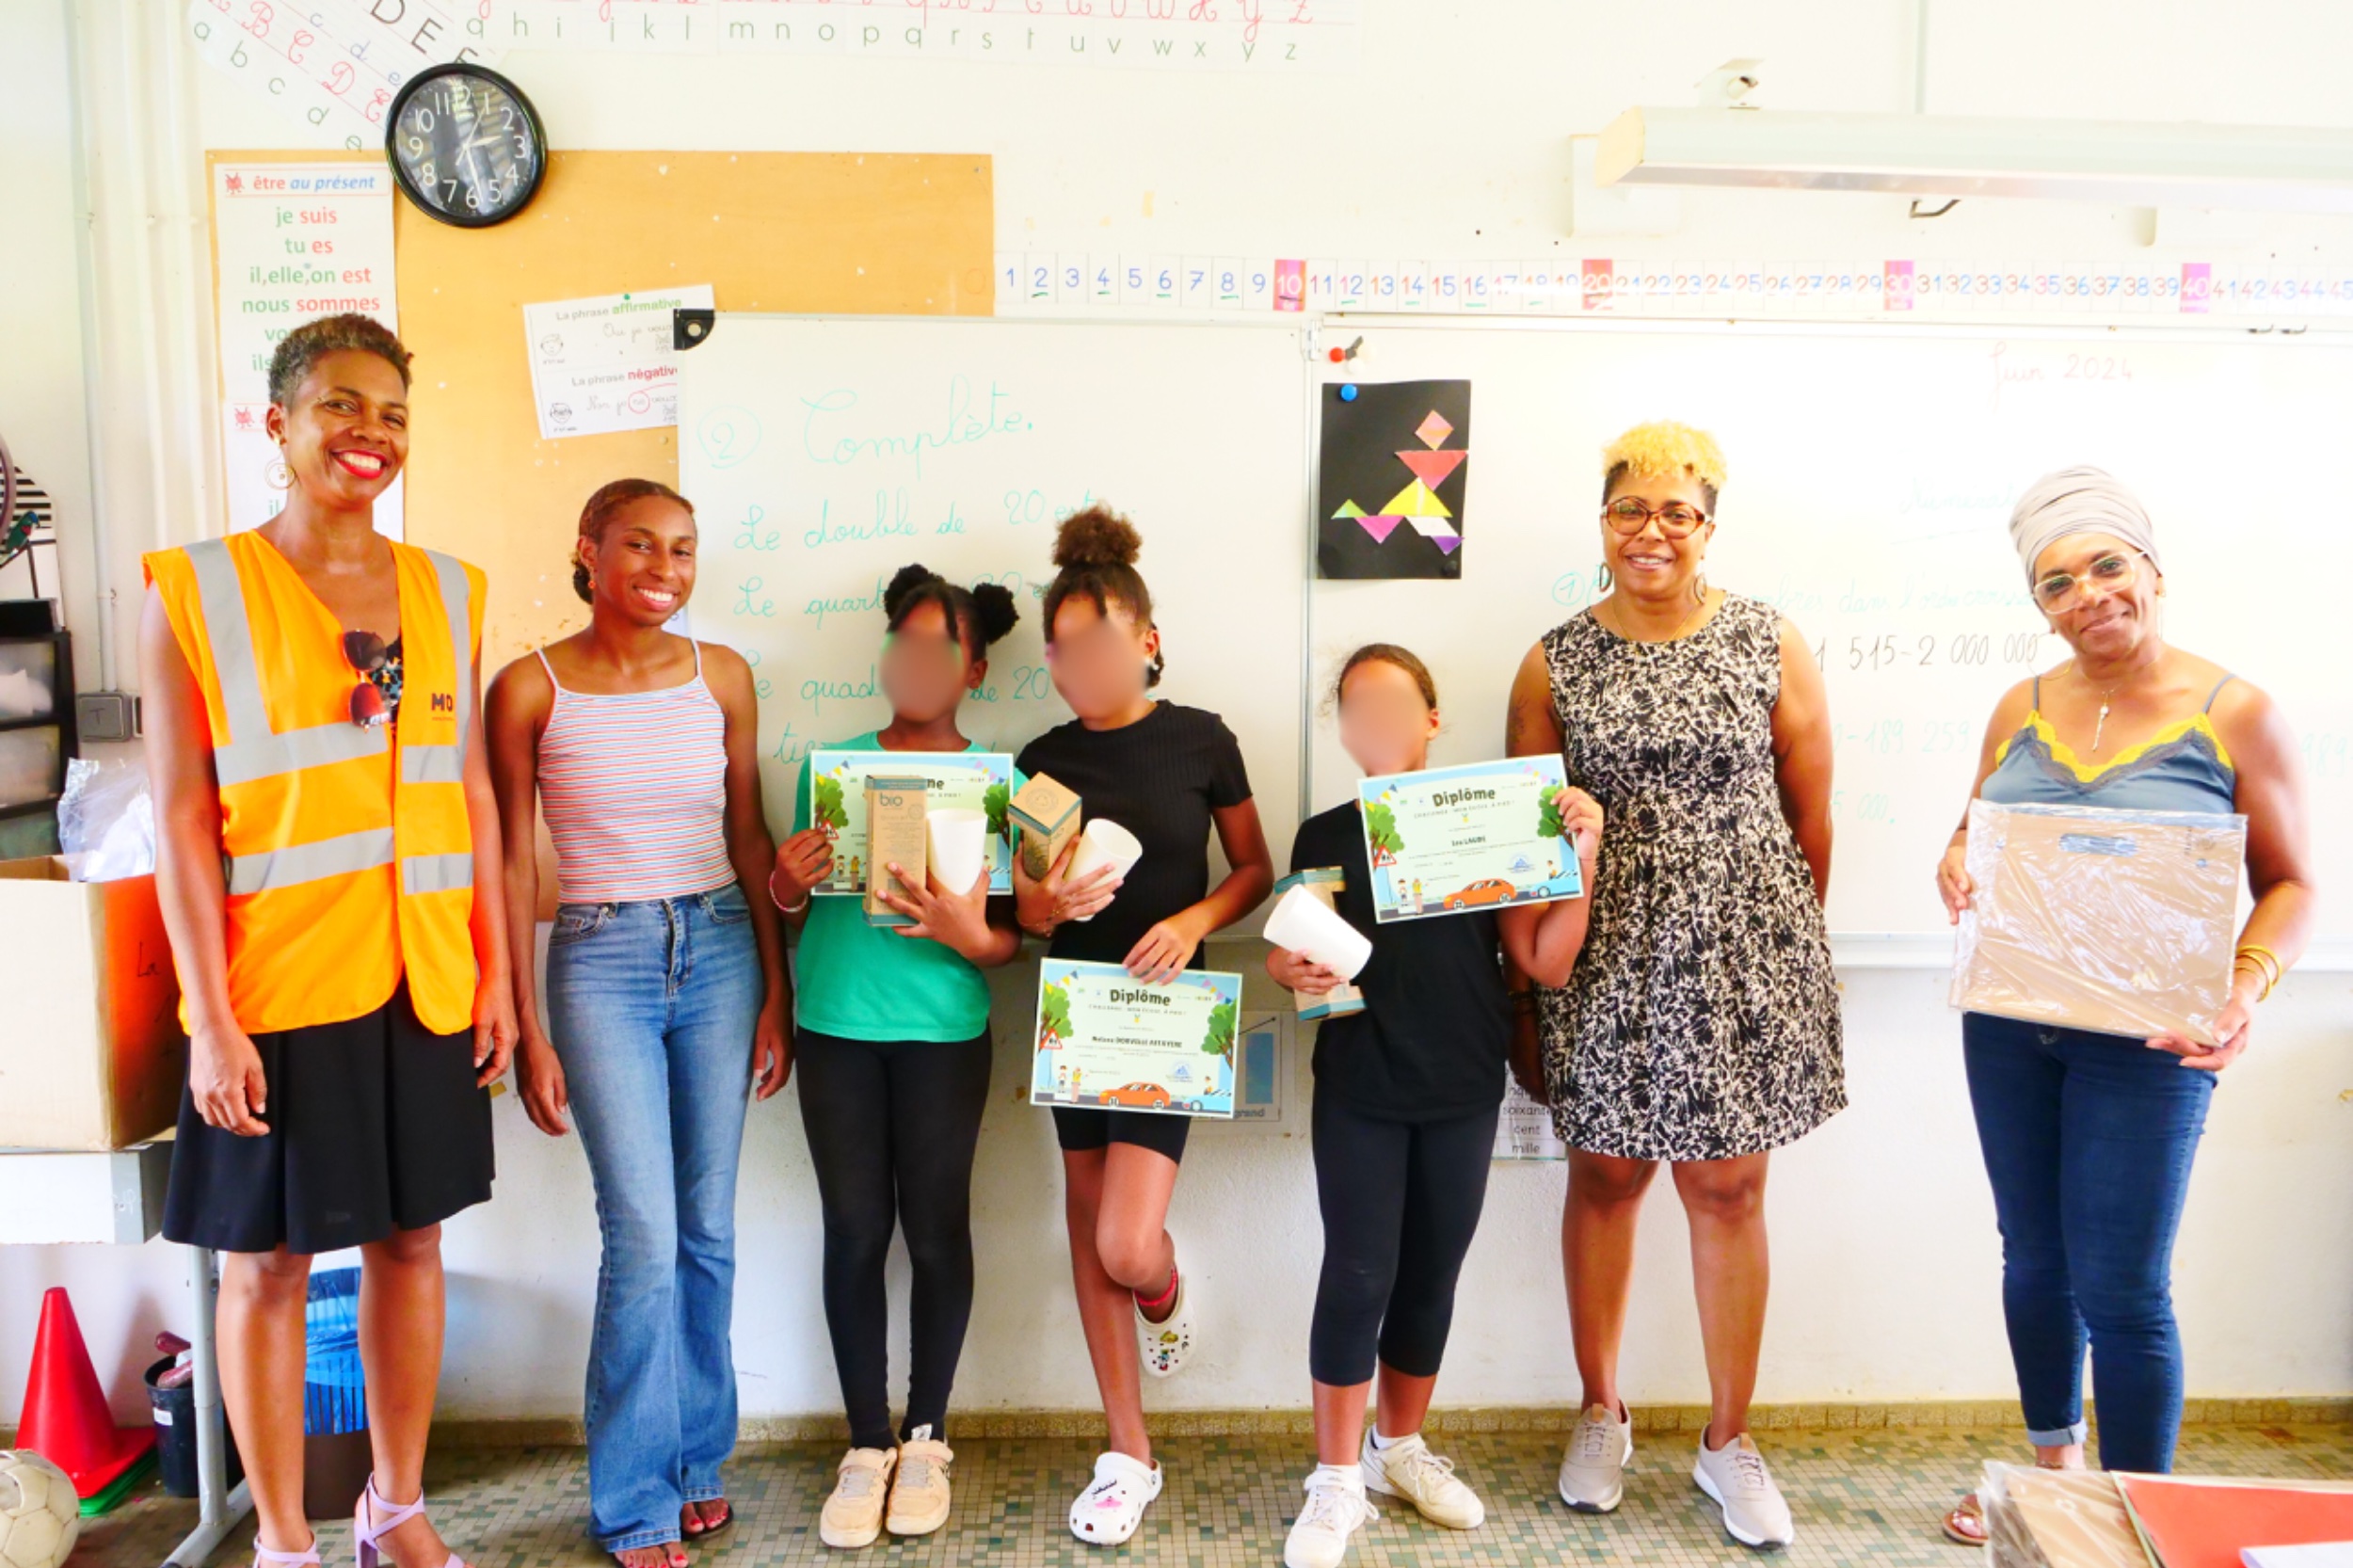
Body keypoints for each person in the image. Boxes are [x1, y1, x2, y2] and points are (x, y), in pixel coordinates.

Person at [141, 312, 516, 1568]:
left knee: (413, 1241)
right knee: (268, 1267)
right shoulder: (194, 590)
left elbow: (473, 793)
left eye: (393, 413)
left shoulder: (451, 589)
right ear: (280, 424)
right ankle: (286, 1539)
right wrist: (210, 1019)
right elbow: (180, 821)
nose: (370, 433)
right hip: (277, 982)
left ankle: (394, 1507)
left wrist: (496, 976)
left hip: (427, 974)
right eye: (340, 406)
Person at [1932, 468, 2315, 1545]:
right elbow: (1973, 827)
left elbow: (2293, 883)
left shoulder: (2235, 712)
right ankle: (2053, 1477)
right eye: (2056, 582)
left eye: (2106, 565)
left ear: (2150, 568)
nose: (2087, 594)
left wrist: (2243, 989)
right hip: (2009, 1020)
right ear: (2039, 604)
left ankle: (2140, 1514)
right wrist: (1955, 854)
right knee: (2031, 1255)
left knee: (2123, 1288)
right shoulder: (2018, 706)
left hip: (2152, 1039)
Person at [1503, 420, 1841, 1550]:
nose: (1651, 531)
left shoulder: (1768, 638)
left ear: (1708, 525)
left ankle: (1728, 1440)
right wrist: (1525, 995)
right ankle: (1600, 1410)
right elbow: (1526, 842)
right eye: (1628, 510)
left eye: (1676, 512)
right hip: (1603, 948)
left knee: (1728, 1189)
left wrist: (1785, 951)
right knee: (1605, 1174)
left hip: (1743, 948)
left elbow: (1810, 815)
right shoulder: (1552, 661)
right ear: (1600, 522)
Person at [484, 479, 788, 1567]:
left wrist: (778, 993)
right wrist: (526, 1025)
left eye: (683, 548)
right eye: (641, 545)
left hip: (720, 949)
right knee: (645, 1236)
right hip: (598, 957)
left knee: (707, 1229)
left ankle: (698, 1461)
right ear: (589, 550)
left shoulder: (724, 676)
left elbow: (749, 837)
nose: (665, 567)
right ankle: (631, 1499)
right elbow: (510, 864)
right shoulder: (529, 687)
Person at [1268, 645, 1606, 1568]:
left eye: (1395, 702)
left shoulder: (1493, 819)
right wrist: (1286, 967)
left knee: (1430, 1276)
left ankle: (1399, 1448)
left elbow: (1547, 963)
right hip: (1360, 1085)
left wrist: (1581, 856)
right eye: (1356, 705)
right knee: (1358, 1274)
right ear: (1342, 729)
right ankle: (1336, 1478)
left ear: (1432, 718)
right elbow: (1297, 957)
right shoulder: (1321, 835)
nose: (1375, 720)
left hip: (1462, 1084)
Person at [1012, 507, 1275, 1547]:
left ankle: (1162, 1289)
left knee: (1126, 1243)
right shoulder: (1039, 759)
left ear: (1148, 640)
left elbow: (1251, 869)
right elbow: (1025, 906)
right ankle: (1128, 1453)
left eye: (1102, 644)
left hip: (1171, 1015)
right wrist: (1045, 906)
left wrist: (1194, 920)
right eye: (1064, 650)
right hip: (1076, 1010)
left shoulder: (1203, 738)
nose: (1083, 665)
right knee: (1086, 1228)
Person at [762, 566, 1028, 1550]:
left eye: (939, 649)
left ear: (975, 668)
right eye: (903, 645)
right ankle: (866, 1442)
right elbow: (797, 912)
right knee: (853, 1231)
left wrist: (969, 931)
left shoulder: (998, 785)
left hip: (944, 1033)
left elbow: (1011, 942)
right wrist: (786, 884)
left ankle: (926, 1437)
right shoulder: (827, 769)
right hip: (837, 1026)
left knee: (937, 1230)